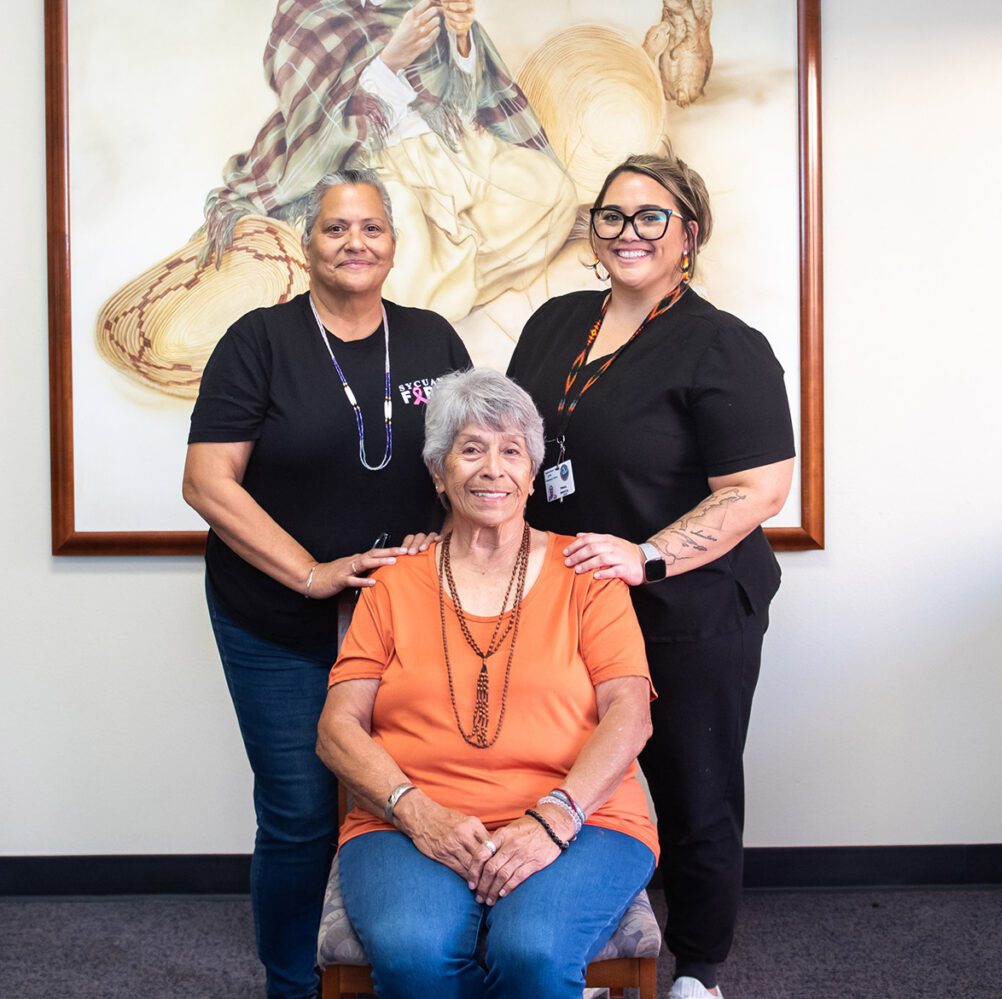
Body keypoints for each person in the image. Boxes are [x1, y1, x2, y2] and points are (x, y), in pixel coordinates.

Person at [506, 154, 796, 999]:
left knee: (692, 790)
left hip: (689, 606)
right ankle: (581, 952)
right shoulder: (556, 323)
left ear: (688, 235)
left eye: (651, 216)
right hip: (570, 604)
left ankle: (697, 972)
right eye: (612, 215)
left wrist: (648, 554)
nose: (627, 232)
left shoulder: (724, 345)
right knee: (569, 778)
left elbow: (757, 488)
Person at [183, 169, 471, 999]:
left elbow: (470, 461)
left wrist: (440, 532)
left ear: (393, 242)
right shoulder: (259, 340)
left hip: (408, 621)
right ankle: (290, 982)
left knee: (414, 794)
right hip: (276, 618)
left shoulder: (432, 339)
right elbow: (208, 482)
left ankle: (405, 965)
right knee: (302, 813)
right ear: (307, 243)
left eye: (371, 228)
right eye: (337, 229)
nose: (356, 243)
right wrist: (312, 574)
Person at [316, 368, 658, 999]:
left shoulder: (588, 573)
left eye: (511, 451)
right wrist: (416, 813)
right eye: (470, 450)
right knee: (415, 952)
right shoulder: (394, 582)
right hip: (407, 815)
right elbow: (337, 728)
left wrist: (556, 817)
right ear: (439, 472)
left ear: (533, 473)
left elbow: (630, 715)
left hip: (582, 812)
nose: (492, 469)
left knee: (532, 951)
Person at [203, 0, 577, 321]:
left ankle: (456, 275)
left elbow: (461, 99)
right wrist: (391, 60)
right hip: (370, 161)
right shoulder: (306, 16)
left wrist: (460, 38)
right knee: (394, 225)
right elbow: (317, 119)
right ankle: (436, 285)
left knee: (551, 191)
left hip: (448, 146)